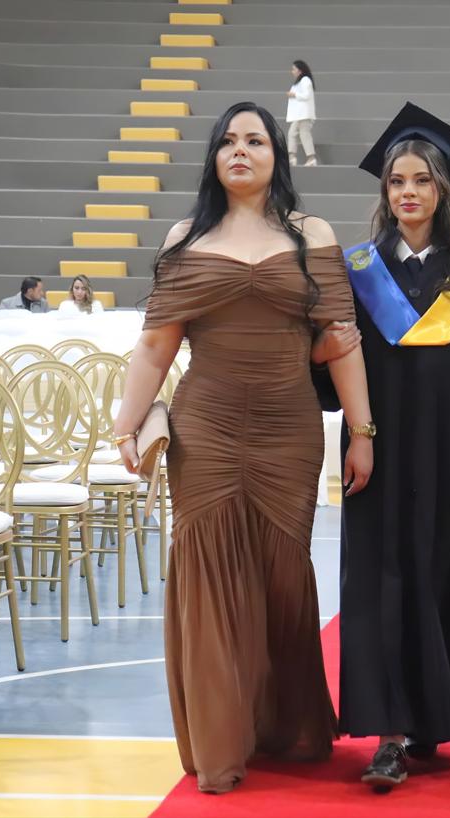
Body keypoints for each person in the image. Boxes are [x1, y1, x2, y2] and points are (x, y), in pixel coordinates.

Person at [113, 102, 374, 793]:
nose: (239, 150)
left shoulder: (311, 234)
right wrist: (125, 426)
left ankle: (285, 727)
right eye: (227, 141)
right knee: (208, 579)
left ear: (275, 156)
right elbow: (155, 345)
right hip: (205, 429)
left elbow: (342, 342)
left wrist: (362, 432)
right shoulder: (185, 236)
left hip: (290, 431)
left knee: (283, 577)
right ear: (213, 158)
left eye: (255, 140)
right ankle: (220, 745)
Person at [320, 103, 450, 791]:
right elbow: (333, 366)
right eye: (397, 181)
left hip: (447, 454)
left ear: (442, 190)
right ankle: (388, 730)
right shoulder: (357, 269)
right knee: (380, 581)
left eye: (422, 180)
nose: (408, 191)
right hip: (374, 451)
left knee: (440, 573)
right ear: (384, 190)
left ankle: (433, 715)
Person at [286, 60, 317, 167]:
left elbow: (306, 95)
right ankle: (292, 157)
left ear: (300, 71)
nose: (292, 71)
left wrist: (294, 95)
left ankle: (311, 158)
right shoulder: (299, 82)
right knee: (292, 134)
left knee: (304, 135)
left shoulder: (305, 80)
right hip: (299, 115)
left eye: (294, 69)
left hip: (304, 115)